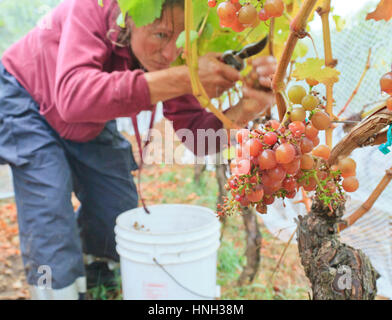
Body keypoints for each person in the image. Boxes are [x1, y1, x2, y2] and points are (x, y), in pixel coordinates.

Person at [0, 0, 276, 299]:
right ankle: (56, 292)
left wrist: (248, 107)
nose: (171, 54)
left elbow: (200, 140)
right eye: (160, 35)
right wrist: (185, 78)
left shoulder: (174, 56)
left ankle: (96, 273)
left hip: (86, 115)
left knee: (116, 206)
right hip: (24, 97)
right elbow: (73, 97)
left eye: (180, 38)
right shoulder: (90, 8)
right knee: (49, 206)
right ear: (128, 18)